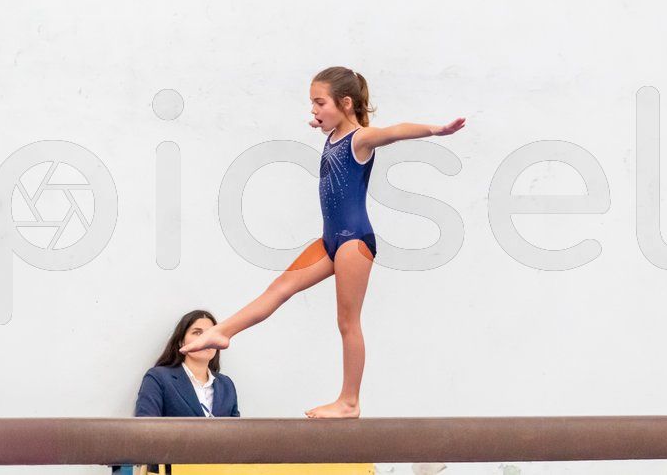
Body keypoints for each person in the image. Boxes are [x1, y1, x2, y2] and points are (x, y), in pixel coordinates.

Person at [180, 66, 465, 418]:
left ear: (345, 103)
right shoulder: (333, 135)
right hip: (330, 240)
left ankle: (350, 401)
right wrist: (325, 121)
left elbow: (393, 132)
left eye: (319, 103)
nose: (313, 111)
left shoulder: (360, 139)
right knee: (279, 288)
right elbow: (334, 128)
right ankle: (223, 331)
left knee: (347, 322)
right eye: (312, 104)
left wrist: (436, 130)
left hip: (353, 242)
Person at [135, 309, 240, 417]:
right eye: (197, 332)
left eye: (210, 334)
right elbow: (146, 424)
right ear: (181, 342)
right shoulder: (158, 378)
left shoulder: (226, 385)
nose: (205, 339)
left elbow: (237, 427)